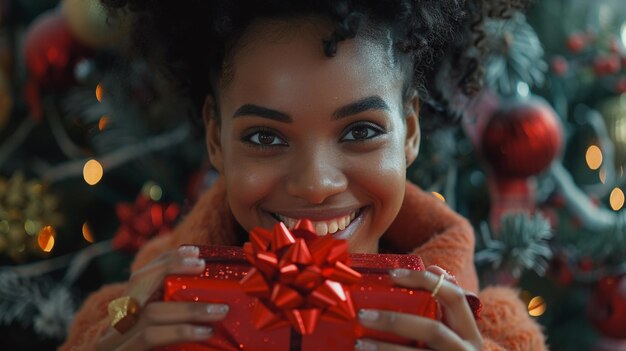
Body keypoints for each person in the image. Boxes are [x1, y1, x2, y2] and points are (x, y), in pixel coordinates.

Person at [61, 1, 547, 350]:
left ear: (410, 132)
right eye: (265, 138)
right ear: (215, 138)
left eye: (360, 130)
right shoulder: (118, 327)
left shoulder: (498, 339)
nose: (316, 185)